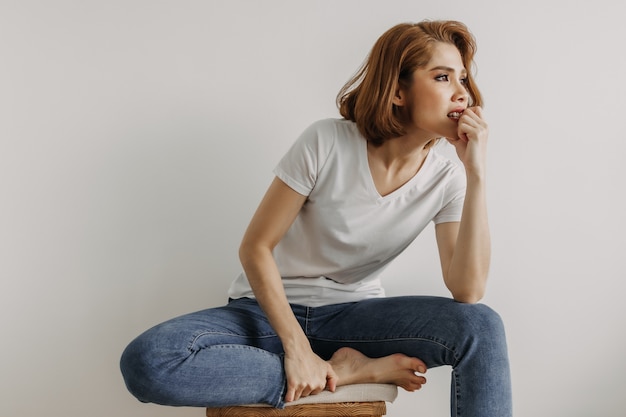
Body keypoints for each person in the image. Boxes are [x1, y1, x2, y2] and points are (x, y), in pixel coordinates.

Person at [120, 20, 512, 417]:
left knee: (481, 326)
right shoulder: (326, 141)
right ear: (397, 91)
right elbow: (255, 247)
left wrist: (475, 172)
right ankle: (343, 373)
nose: (462, 92)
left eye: (463, 77)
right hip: (266, 312)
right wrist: (297, 349)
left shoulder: (447, 180)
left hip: (355, 318)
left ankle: (337, 370)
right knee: (149, 361)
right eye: (443, 77)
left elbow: (467, 290)